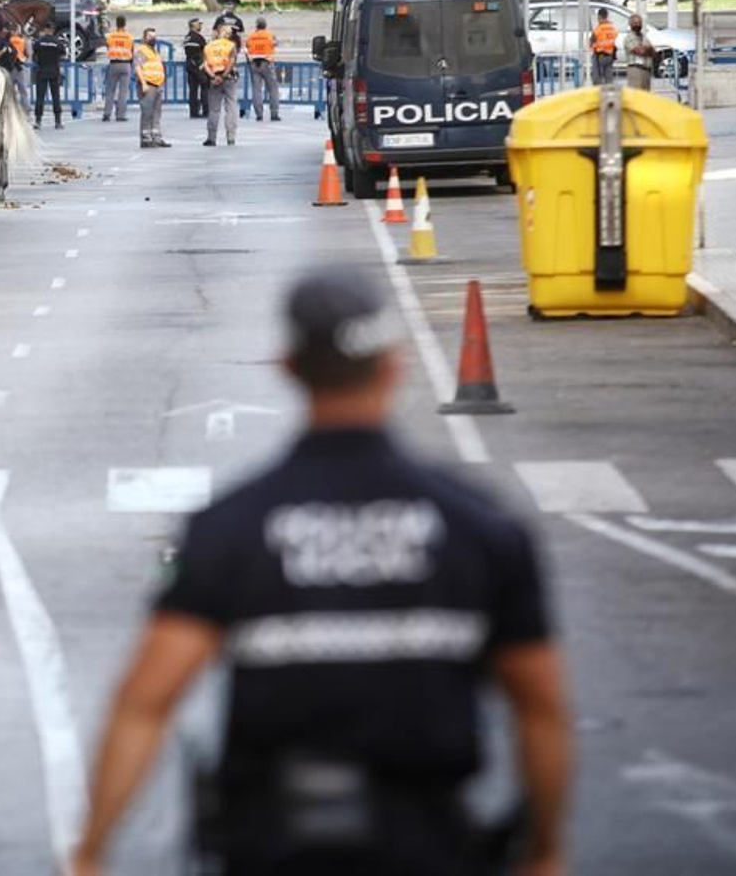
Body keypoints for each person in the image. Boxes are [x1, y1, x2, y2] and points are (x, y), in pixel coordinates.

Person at [69, 266, 570, 876]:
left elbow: (145, 702)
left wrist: (92, 849)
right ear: (393, 367)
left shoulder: (233, 526)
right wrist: (544, 848)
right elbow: (540, 707)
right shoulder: (477, 525)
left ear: (288, 368)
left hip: (271, 842)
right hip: (426, 841)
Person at [202, 25, 239, 148]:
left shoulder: (208, 46)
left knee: (214, 109)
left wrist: (213, 77)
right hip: (228, 78)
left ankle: (211, 138)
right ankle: (231, 137)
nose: (230, 34)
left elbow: (206, 65)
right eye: (229, 32)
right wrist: (223, 76)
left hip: (214, 80)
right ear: (224, 33)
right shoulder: (231, 46)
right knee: (231, 108)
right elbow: (231, 62)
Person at [134, 27, 169, 149]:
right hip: (148, 85)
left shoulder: (154, 51)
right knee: (147, 112)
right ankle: (146, 138)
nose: (153, 39)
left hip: (157, 85)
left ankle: (156, 137)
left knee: (156, 113)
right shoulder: (141, 50)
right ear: (144, 38)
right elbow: (138, 67)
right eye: (150, 36)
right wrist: (143, 83)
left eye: (154, 36)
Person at [31, 20, 67, 130]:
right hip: (54, 71)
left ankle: (38, 121)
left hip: (41, 71)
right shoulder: (57, 43)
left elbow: (34, 55)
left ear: (45, 30)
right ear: (52, 30)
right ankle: (58, 121)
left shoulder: (39, 42)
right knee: (56, 97)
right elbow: (63, 55)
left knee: (40, 97)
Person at [245, 17, 280, 122]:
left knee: (257, 90)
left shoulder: (251, 36)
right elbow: (276, 43)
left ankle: (259, 114)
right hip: (267, 64)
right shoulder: (270, 36)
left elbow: (247, 46)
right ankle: (274, 114)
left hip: (254, 64)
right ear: (265, 25)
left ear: (256, 25)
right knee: (273, 89)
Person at [101, 15, 135, 123]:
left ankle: (107, 114)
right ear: (124, 24)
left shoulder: (111, 36)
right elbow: (132, 50)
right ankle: (121, 115)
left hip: (114, 64)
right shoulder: (129, 37)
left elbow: (108, 47)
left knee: (110, 90)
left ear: (116, 24)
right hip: (125, 65)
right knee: (123, 91)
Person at [622, 12, 657, 91]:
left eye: (639, 23)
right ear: (630, 24)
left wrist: (647, 49)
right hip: (635, 70)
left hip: (646, 70)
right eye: (635, 23)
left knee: (646, 97)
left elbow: (654, 52)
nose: (638, 25)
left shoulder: (644, 37)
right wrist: (647, 49)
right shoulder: (629, 37)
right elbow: (640, 51)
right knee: (636, 97)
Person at [183, 17, 209, 119]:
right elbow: (205, 51)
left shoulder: (187, 37)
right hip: (199, 65)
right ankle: (206, 110)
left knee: (193, 89)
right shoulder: (199, 38)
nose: (201, 26)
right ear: (193, 25)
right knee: (205, 86)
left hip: (190, 64)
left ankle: (193, 112)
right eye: (199, 24)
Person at [591, 7, 618, 86]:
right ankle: (609, 95)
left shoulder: (599, 28)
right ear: (606, 16)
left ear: (599, 17)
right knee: (609, 78)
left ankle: (598, 95)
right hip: (610, 56)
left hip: (599, 56)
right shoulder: (612, 28)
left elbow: (592, 39)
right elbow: (614, 36)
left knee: (597, 78)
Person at [9, 27, 32, 109]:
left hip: (10, 67)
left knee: (9, 90)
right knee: (23, 89)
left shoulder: (9, 40)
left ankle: (11, 108)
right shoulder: (23, 41)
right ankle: (26, 107)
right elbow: (28, 54)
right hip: (20, 66)